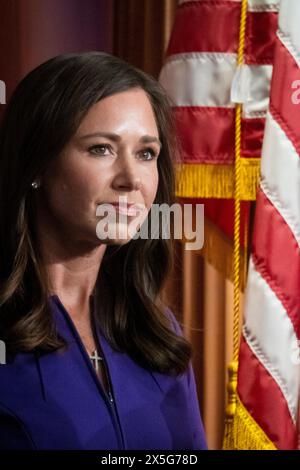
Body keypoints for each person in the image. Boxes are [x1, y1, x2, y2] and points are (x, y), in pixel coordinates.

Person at [0, 51, 207, 450]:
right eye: (101, 149)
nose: (132, 179)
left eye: (146, 153)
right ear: (38, 164)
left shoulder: (156, 331)